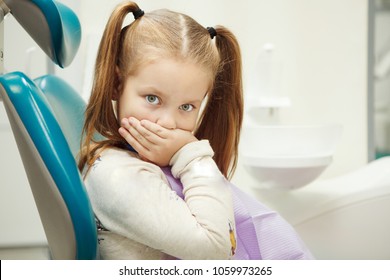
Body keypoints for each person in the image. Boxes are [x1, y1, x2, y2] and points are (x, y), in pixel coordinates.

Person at [79, 1, 313, 260]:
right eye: (152, 98)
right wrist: (190, 152)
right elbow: (214, 252)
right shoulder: (117, 177)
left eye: (187, 106)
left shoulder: (138, 164)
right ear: (116, 84)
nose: (168, 122)